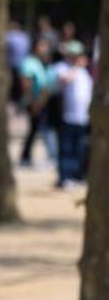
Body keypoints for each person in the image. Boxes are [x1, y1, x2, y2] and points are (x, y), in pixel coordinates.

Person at [55, 40, 94, 190]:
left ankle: (75, 176)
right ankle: (64, 177)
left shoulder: (84, 72)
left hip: (83, 118)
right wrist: (77, 67)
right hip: (68, 117)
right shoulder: (62, 67)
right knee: (67, 149)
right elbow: (64, 80)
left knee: (80, 149)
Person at [21, 37, 60, 167]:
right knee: (35, 129)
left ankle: (28, 156)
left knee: (37, 129)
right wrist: (33, 102)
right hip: (35, 101)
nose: (45, 49)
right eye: (42, 45)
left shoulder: (43, 63)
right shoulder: (30, 62)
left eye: (46, 46)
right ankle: (26, 157)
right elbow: (27, 83)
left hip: (43, 101)